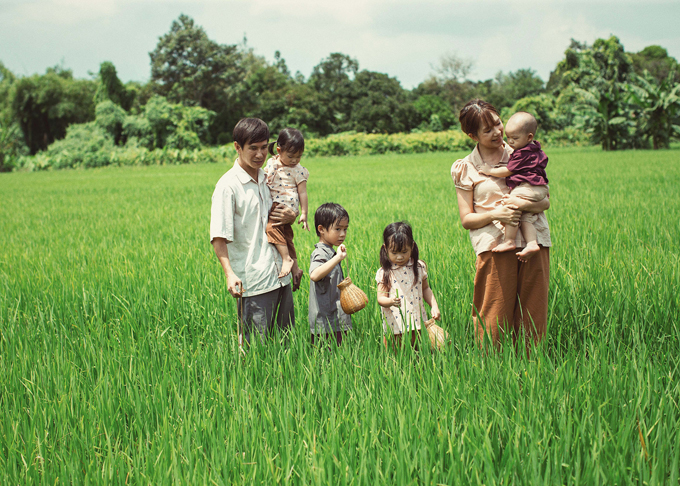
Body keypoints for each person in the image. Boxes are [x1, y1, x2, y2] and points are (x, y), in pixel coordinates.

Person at [451, 100, 551, 353]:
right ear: (472, 135)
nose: (497, 132)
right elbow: (467, 219)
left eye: (498, 123)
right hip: (495, 245)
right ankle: (491, 371)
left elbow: (545, 200)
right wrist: (498, 213)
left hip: (533, 241)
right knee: (493, 315)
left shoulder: (523, 152)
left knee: (534, 311)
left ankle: (533, 368)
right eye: (487, 130)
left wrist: (520, 207)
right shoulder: (466, 167)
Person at [210, 118, 297, 347]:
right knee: (255, 350)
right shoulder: (228, 186)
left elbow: (280, 219)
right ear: (237, 147)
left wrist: (292, 217)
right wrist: (229, 273)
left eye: (263, 148)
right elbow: (218, 236)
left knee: (285, 345)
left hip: (281, 276)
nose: (259, 155)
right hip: (254, 281)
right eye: (253, 148)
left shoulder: (267, 178)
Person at [479, 112, 549, 261]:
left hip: (528, 186)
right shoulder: (534, 149)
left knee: (512, 205)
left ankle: (509, 240)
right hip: (539, 187)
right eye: (508, 137)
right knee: (526, 217)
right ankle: (531, 243)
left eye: (515, 138)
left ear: (529, 137)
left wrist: (489, 170)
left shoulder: (521, 153)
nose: (510, 141)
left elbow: (508, 170)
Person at [376, 222, 440, 350]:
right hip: (395, 322)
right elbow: (380, 298)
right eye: (394, 252)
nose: (400, 257)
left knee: (417, 351)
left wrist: (434, 306)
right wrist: (390, 301)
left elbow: (426, 289)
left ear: (412, 246)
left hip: (417, 320)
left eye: (404, 252)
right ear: (385, 248)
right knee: (395, 353)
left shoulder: (418, 267)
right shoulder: (385, 272)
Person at [264, 128, 309, 284]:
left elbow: (303, 192)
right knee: (288, 238)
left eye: (299, 156)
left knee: (271, 228)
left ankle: (286, 259)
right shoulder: (271, 163)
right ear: (279, 150)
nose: (294, 160)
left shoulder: (299, 171)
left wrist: (303, 213)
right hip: (276, 204)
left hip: (285, 207)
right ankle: (296, 269)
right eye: (290, 156)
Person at [308, 203, 352, 346]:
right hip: (325, 323)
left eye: (345, 229)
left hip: (336, 318)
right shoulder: (320, 253)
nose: (342, 234)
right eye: (337, 229)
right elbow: (314, 275)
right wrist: (337, 258)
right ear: (321, 229)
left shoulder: (331, 251)